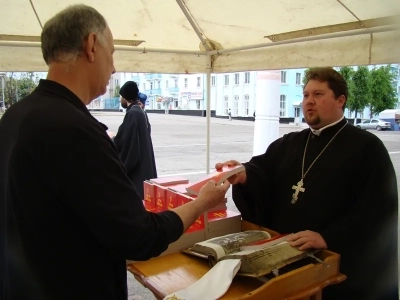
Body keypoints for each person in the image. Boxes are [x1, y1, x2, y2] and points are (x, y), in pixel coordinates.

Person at [0, 5, 229, 300]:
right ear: (92, 45)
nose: (114, 68)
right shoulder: (74, 129)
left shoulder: (14, 117)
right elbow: (140, 237)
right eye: (113, 53)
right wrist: (201, 203)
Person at [216, 67, 398, 300]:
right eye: (305, 95)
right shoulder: (290, 142)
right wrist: (244, 175)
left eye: (318, 95)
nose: (308, 102)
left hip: (333, 262)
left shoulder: (367, 148)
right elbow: (262, 170)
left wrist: (328, 237)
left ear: (340, 100)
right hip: (285, 255)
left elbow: (379, 210)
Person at [113, 81, 157, 199]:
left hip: (138, 173)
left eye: (121, 96)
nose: (120, 99)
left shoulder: (133, 114)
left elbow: (126, 142)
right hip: (145, 167)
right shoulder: (141, 112)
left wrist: (112, 140)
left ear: (126, 97)